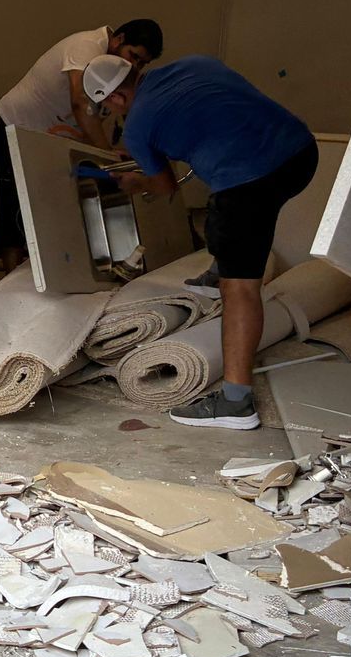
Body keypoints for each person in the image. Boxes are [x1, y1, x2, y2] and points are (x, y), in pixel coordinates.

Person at [83, 52, 318, 432]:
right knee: (229, 218)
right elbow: (213, 113)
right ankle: (224, 263)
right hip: (300, 152)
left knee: (240, 288)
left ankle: (236, 403)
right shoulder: (194, 64)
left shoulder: (138, 127)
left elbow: (165, 187)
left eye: (108, 107)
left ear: (115, 99)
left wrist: (137, 180)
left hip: (248, 179)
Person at [0, 19, 163, 266]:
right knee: (14, 204)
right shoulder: (86, 46)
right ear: (119, 39)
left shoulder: (117, 66)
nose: (134, 65)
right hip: (19, 126)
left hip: (55, 135)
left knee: (58, 202)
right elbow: (81, 103)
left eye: (142, 63)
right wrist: (105, 155)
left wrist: (109, 152)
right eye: (133, 56)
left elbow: (102, 112)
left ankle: (59, 269)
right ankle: (10, 278)